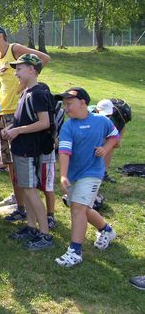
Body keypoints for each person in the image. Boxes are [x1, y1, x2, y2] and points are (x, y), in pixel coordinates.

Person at [0, 25, 51, 222]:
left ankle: (25, 207)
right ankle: (19, 202)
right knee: (9, 162)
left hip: (15, 113)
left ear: (1, 36)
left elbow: (44, 59)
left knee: (18, 162)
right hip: (3, 111)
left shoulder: (14, 49)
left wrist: (23, 87)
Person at [54, 87, 119, 267]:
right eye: (64, 104)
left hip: (92, 173)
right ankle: (106, 230)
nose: (65, 108)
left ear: (83, 103)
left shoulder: (101, 121)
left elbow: (115, 136)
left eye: (69, 104)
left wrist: (105, 148)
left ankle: (75, 252)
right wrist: (64, 176)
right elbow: (64, 152)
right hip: (75, 175)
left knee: (77, 209)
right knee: (81, 208)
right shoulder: (68, 126)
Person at [3, 54, 53, 250]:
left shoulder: (38, 93)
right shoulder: (26, 92)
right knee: (26, 188)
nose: (16, 72)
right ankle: (31, 227)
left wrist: (17, 130)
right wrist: (11, 129)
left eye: (20, 68)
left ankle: (45, 235)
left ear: (32, 69)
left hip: (29, 150)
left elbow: (44, 122)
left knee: (31, 192)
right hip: (21, 148)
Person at [95, 99, 126, 182]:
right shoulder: (88, 116)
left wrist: (107, 145)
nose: (106, 117)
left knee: (110, 145)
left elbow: (117, 143)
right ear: (97, 111)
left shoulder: (113, 120)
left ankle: (103, 173)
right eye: (104, 115)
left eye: (108, 115)